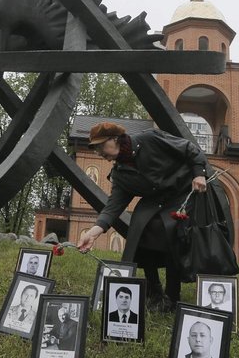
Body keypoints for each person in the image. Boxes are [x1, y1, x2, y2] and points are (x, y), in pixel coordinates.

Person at [76, 122, 215, 311]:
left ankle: (172, 297)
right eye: (96, 150)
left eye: (100, 147)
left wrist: (199, 174)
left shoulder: (150, 139)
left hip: (181, 192)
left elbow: (190, 149)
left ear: (114, 139)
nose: (99, 153)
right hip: (154, 200)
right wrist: (93, 232)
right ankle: (153, 289)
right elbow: (112, 208)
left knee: (169, 229)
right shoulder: (119, 173)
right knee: (140, 227)